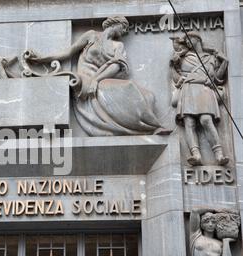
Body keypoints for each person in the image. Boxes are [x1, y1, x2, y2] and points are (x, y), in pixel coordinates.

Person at [27, 16, 171, 136]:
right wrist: (42, 59)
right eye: (124, 27)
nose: (125, 31)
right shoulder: (91, 35)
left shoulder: (117, 46)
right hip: (85, 79)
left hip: (102, 78)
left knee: (149, 96)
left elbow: (117, 66)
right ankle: (152, 126)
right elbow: (67, 52)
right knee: (128, 87)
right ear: (115, 24)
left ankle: (149, 124)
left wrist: (96, 80)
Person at [170, 32, 229, 166]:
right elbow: (176, 78)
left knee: (206, 120)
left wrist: (224, 62)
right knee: (189, 122)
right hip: (188, 89)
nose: (187, 42)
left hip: (204, 89)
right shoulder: (183, 58)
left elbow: (217, 78)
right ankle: (195, 155)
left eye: (189, 39)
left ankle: (219, 154)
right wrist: (174, 65)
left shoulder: (209, 58)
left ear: (197, 39)